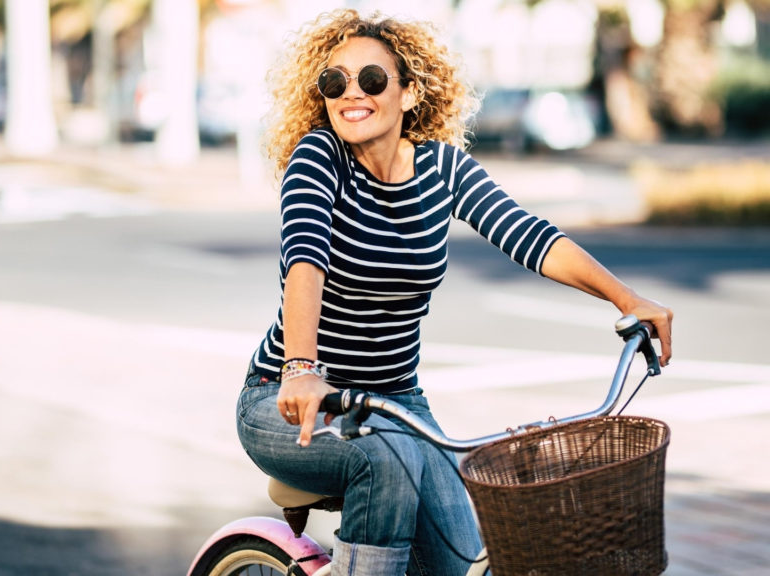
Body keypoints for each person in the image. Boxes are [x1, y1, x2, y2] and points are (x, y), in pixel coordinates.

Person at [235, 9, 674, 576]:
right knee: (381, 463)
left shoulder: (443, 169)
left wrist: (626, 298)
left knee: (464, 563)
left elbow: (528, 235)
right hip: (288, 398)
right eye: (334, 81)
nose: (351, 93)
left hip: (397, 401)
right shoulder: (319, 159)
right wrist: (300, 366)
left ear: (410, 93)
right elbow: (305, 260)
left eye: (371, 79)